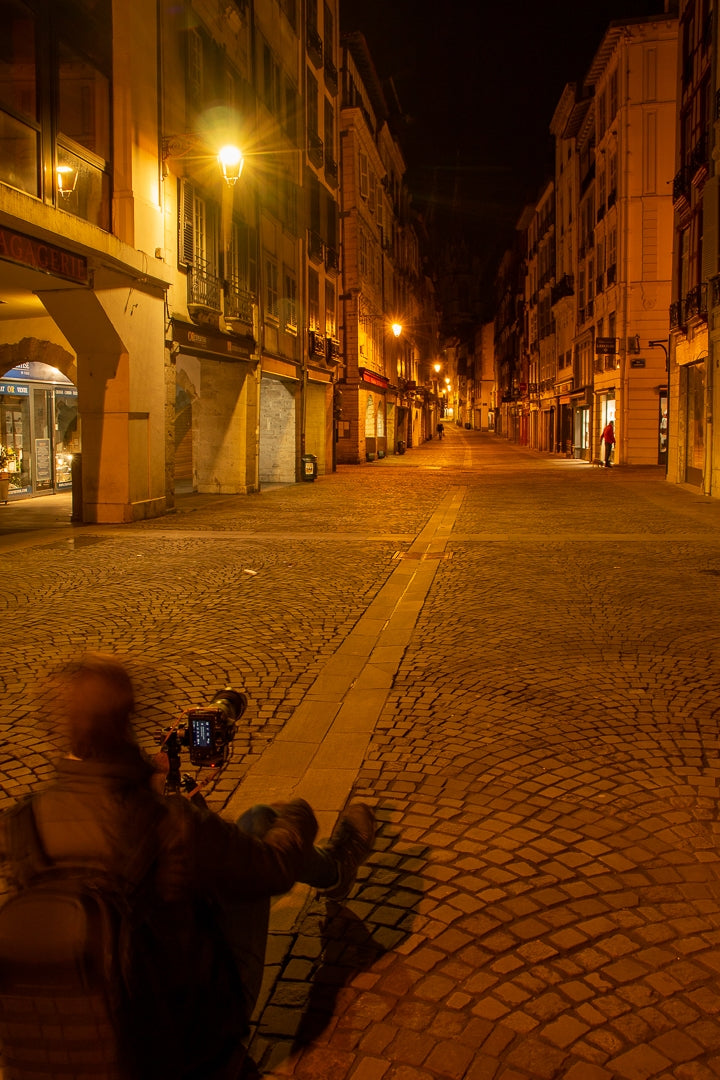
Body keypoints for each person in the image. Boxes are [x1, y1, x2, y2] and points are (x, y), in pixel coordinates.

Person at [0, 654, 376, 1079]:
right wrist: (299, 817)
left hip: (61, 1054)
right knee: (258, 823)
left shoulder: (26, 823)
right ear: (128, 718)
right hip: (185, 1042)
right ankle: (335, 868)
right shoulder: (168, 821)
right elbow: (272, 868)